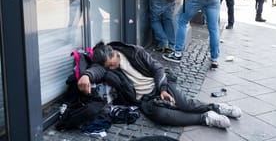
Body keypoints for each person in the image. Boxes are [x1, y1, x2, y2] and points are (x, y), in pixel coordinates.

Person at [77, 41, 242, 130]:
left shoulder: (135, 52)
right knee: (163, 116)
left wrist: (162, 89)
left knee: (184, 103)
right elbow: (97, 69)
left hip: (160, 84)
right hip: (145, 99)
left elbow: (158, 68)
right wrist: (86, 75)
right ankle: (206, 118)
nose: (111, 69)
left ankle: (217, 107)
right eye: (108, 67)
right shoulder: (107, 66)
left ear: (113, 52)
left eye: (111, 64)